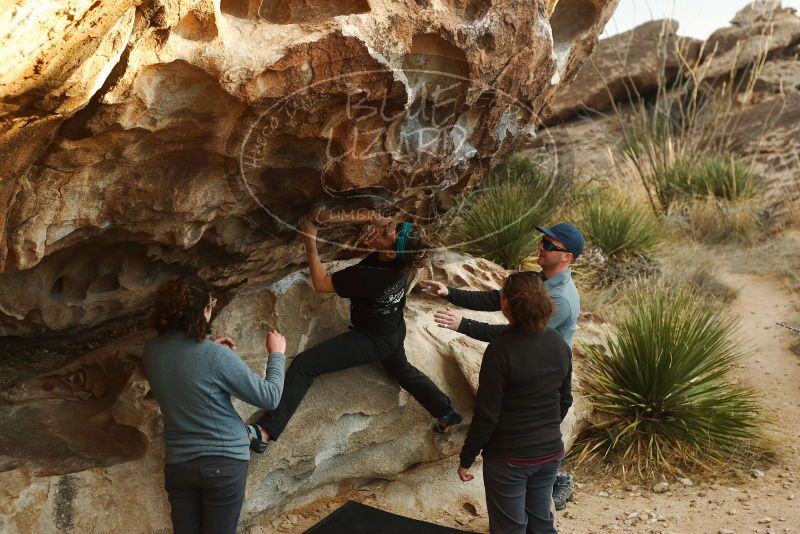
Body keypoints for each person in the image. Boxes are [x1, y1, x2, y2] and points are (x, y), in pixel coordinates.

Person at [248, 208, 461, 453]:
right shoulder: (405, 258)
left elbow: (321, 283)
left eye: (383, 234)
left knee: (305, 366)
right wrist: (331, 216)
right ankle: (446, 412)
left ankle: (264, 432)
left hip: (372, 339)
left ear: (391, 252)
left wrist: (310, 238)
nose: (377, 230)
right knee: (403, 371)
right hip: (393, 328)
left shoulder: (370, 276)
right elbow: (373, 216)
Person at [420, 223, 584, 510]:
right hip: (531, 364)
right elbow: (499, 299)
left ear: (567, 257)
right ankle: (548, 480)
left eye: (548, 245)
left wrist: (463, 324)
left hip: (542, 369)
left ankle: (553, 479)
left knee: (517, 433)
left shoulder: (560, 300)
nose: (540, 247)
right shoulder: (540, 280)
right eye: (542, 241)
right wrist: (450, 292)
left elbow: (514, 338)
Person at [143, 278, 286, 534]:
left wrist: (210, 351)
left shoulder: (152, 351)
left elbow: (182, 368)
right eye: (211, 304)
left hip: (179, 465)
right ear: (203, 311)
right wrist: (277, 354)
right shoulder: (216, 357)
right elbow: (270, 397)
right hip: (223, 462)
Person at [456, 272, 572, 534]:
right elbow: (565, 399)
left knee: (510, 528)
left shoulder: (500, 350)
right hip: (549, 452)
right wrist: (544, 431)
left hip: (509, 458)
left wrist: (467, 457)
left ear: (505, 303)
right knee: (541, 522)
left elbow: (487, 414)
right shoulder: (558, 341)